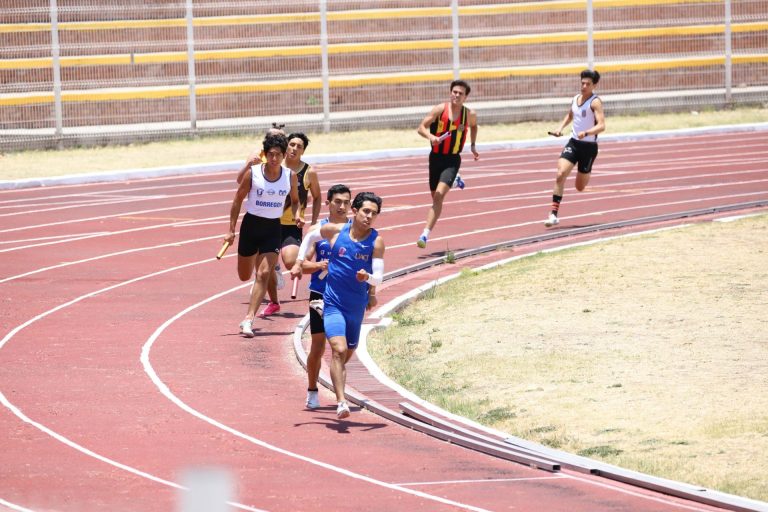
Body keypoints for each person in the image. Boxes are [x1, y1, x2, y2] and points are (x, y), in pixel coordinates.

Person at [291, 192, 385, 419]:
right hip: (329, 299)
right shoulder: (334, 231)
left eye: (374, 213)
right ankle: (337, 400)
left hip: (355, 306)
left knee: (344, 355)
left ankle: (336, 384)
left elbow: (379, 277)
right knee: (334, 349)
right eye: (366, 211)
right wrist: (299, 262)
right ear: (356, 210)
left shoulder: (376, 241)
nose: (369, 216)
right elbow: (309, 238)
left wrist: (368, 280)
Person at [224, 132, 302, 337]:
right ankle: (262, 264)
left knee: (263, 274)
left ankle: (248, 319)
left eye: (278, 155)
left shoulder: (290, 176)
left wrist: (297, 215)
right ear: (265, 155)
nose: (274, 158)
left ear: (284, 155)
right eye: (271, 154)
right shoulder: (253, 173)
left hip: (272, 229)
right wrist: (231, 230)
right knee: (244, 276)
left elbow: (295, 201)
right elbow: (237, 200)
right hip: (251, 227)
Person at [260, 132, 322, 317]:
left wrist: (313, 222)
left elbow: (317, 197)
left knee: (290, 262)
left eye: (299, 146)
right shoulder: (274, 165)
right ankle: (274, 302)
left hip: (291, 226)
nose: (294, 149)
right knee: (264, 267)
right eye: (291, 144)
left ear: (303, 151)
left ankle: (325, 266)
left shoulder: (309, 172)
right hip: (269, 222)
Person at [415, 79, 479, 249]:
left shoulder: (469, 114)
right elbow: (421, 127)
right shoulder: (439, 109)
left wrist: (473, 145)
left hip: (452, 159)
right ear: (450, 93)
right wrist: (431, 137)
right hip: (435, 158)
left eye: (460, 93)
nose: (456, 95)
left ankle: (424, 235)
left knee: (438, 196)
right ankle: (456, 181)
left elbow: (474, 127)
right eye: (454, 92)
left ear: (465, 97)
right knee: (434, 197)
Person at [544, 69, 605, 227]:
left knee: (580, 187)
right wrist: (560, 128)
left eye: (588, 84)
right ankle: (553, 214)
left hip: (589, 147)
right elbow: (571, 115)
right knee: (560, 174)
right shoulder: (575, 99)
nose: (584, 86)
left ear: (594, 85)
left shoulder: (595, 102)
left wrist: (587, 132)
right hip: (574, 143)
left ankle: (587, 170)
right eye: (582, 83)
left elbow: (601, 126)